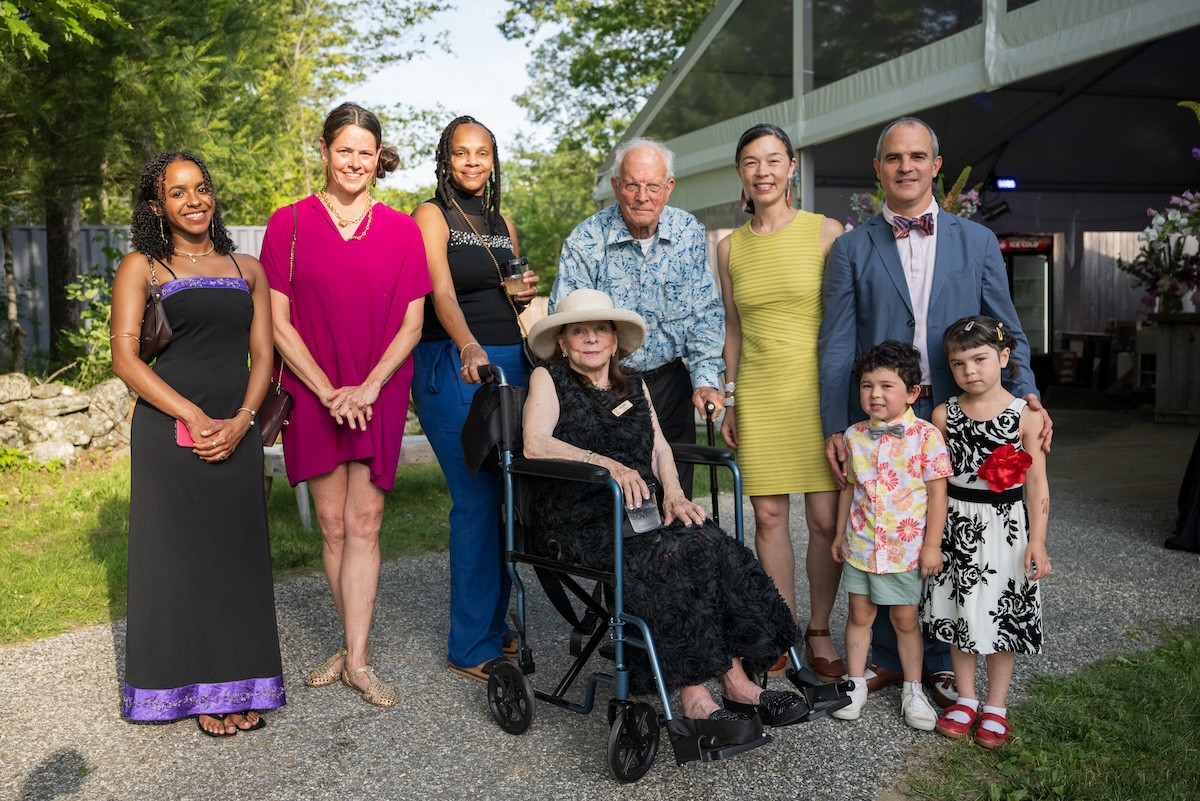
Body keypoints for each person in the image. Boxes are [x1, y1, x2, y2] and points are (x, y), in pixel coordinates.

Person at [818, 116, 1053, 706]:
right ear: (878, 170)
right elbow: (838, 342)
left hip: (962, 413)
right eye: (893, 157)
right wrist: (833, 424)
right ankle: (888, 661)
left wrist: (1029, 394)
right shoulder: (850, 248)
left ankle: (949, 661)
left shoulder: (975, 242)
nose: (905, 167)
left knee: (953, 538)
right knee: (884, 529)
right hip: (880, 420)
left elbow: (1006, 325)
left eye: (917, 156)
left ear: (935, 165)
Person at [522, 288, 812, 743]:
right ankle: (695, 696)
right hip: (580, 517)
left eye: (600, 330)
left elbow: (659, 447)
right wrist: (607, 465)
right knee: (668, 559)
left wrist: (675, 495)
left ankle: (737, 681)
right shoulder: (549, 378)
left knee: (709, 542)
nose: (591, 339)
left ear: (615, 341)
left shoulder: (634, 383)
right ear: (562, 342)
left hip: (638, 514)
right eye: (579, 331)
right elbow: (535, 443)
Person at [260, 102, 431, 708]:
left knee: (366, 523)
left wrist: (366, 388)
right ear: (326, 151)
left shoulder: (403, 229)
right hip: (315, 393)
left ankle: (357, 660)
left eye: (365, 152)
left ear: (377, 157)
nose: (354, 162)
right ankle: (348, 640)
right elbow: (277, 322)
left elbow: (411, 325)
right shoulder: (290, 224)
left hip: (378, 392)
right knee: (332, 526)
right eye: (344, 150)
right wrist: (329, 390)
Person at [111, 152, 284, 736]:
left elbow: (263, 355)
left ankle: (239, 682)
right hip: (168, 428)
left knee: (234, 555)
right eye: (177, 192)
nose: (194, 200)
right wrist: (193, 414)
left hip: (235, 428)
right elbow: (125, 358)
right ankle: (193, 690)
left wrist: (241, 419)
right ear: (157, 206)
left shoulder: (248, 267)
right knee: (178, 558)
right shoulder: (143, 266)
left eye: (201, 188)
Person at [716, 123, 847, 680]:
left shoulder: (827, 232)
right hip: (761, 394)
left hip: (817, 393)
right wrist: (732, 400)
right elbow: (734, 331)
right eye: (751, 161)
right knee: (768, 515)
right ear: (741, 173)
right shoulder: (729, 247)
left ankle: (819, 628)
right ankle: (783, 630)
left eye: (773, 160)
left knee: (823, 520)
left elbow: (844, 324)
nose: (763, 171)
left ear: (792, 166)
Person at [411, 115, 538, 683]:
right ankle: (471, 644)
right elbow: (439, 290)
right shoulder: (430, 216)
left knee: (510, 498)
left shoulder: (501, 219)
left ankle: (497, 621)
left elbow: (509, 291)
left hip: (513, 361)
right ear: (446, 159)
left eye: (481, 153)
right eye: (461, 153)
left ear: (493, 159)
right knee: (476, 500)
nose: (472, 162)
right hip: (457, 364)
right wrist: (468, 346)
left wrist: (525, 295)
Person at [550, 137, 724, 495]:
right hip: (608, 386)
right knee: (622, 497)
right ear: (616, 187)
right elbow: (564, 319)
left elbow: (704, 311)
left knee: (677, 493)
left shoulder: (687, 232)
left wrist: (705, 378)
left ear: (669, 188)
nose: (643, 196)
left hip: (671, 383)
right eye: (632, 185)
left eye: (653, 186)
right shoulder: (586, 240)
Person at [924, 316, 1050, 748]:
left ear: (1003, 357)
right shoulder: (945, 415)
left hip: (1006, 529)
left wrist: (1037, 540)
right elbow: (937, 484)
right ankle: (966, 698)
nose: (970, 371)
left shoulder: (1024, 416)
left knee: (1003, 614)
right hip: (958, 525)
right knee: (962, 611)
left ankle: (996, 705)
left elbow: (1036, 484)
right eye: (958, 364)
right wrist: (932, 540)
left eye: (979, 359)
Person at [829, 341, 952, 729]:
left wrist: (932, 545)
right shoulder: (853, 436)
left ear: (913, 392)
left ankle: (913, 688)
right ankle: (854, 683)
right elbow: (848, 489)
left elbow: (937, 494)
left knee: (904, 619)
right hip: (862, 546)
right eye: (867, 386)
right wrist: (838, 536)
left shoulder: (927, 437)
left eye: (886, 385)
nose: (875, 394)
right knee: (859, 615)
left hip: (905, 551)